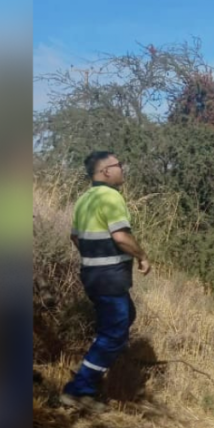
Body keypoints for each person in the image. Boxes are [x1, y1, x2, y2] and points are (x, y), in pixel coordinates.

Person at [61, 151, 152, 412]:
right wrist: (142, 256)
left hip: (92, 275)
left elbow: (75, 238)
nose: (122, 169)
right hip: (109, 278)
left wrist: (92, 257)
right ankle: (79, 389)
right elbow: (121, 236)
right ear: (104, 172)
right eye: (118, 165)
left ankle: (94, 362)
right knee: (114, 333)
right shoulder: (112, 197)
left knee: (124, 319)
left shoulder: (84, 199)